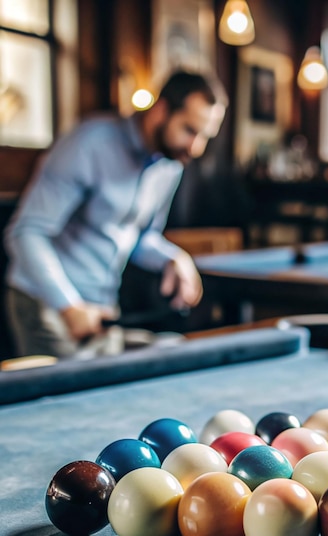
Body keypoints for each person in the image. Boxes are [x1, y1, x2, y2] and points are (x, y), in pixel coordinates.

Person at [4, 70, 227, 359]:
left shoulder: (169, 165)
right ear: (161, 111)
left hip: (103, 308)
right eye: (189, 130)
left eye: (204, 136)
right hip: (47, 306)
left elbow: (137, 237)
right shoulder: (89, 144)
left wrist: (173, 257)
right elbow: (26, 233)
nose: (195, 148)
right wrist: (68, 306)